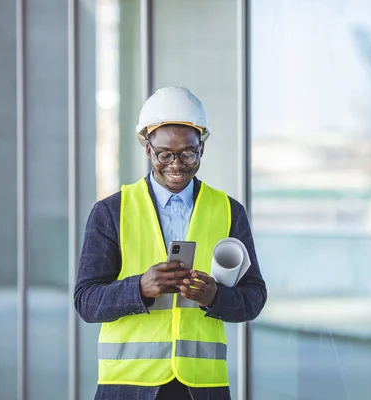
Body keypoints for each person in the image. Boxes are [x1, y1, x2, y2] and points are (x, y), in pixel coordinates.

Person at [74, 86, 267, 400]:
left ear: (201, 149)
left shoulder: (229, 211)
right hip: (127, 387)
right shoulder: (111, 211)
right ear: (148, 149)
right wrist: (139, 288)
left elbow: (254, 297)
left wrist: (215, 296)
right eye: (165, 154)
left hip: (203, 388)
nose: (176, 164)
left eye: (188, 153)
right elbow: (86, 301)